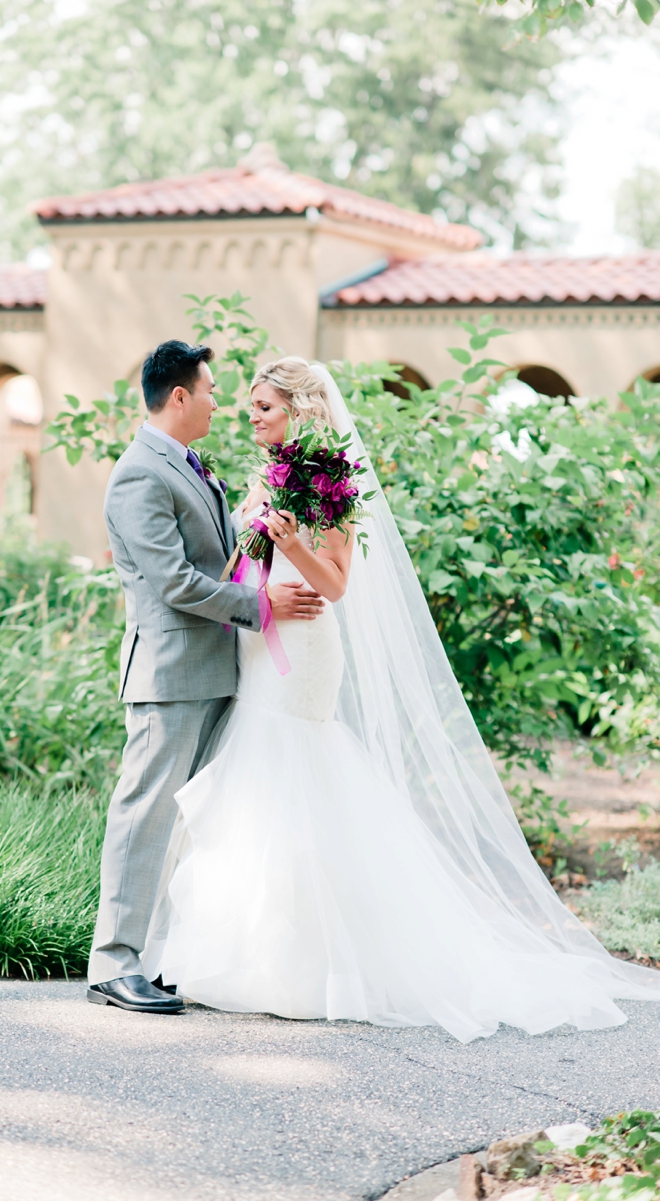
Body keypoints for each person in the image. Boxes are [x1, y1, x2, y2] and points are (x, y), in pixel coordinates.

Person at [141, 356, 660, 1043]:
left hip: (304, 654)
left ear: (298, 408)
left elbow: (335, 583)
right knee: (255, 788)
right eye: (249, 406)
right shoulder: (269, 475)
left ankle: (314, 963)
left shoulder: (327, 479)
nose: (251, 415)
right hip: (264, 639)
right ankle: (242, 951)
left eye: (264, 406)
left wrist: (290, 541)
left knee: (296, 780)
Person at [87, 341, 325, 1014]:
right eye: (214, 390)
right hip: (169, 673)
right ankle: (114, 961)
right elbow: (172, 583)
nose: (222, 401)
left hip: (219, 669)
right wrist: (261, 606)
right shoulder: (140, 472)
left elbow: (223, 559)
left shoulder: (189, 464)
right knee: (146, 812)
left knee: (199, 822)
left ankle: (167, 955)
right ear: (180, 395)